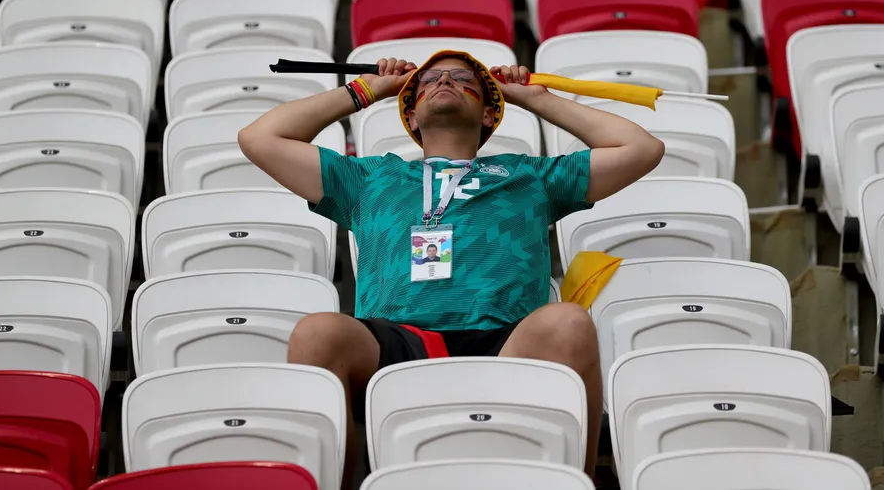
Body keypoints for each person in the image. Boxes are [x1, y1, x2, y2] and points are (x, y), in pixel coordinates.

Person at [238, 51, 665, 488]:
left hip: (507, 342)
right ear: (412, 114)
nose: (443, 81)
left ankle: (578, 482)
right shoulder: (368, 179)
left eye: (464, 79)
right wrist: (367, 90)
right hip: (399, 342)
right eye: (426, 81)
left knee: (570, 323)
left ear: (487, 112)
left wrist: (539, 100)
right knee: (316, 333)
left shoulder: (530, 176)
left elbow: (643, 149)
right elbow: (259, 138)